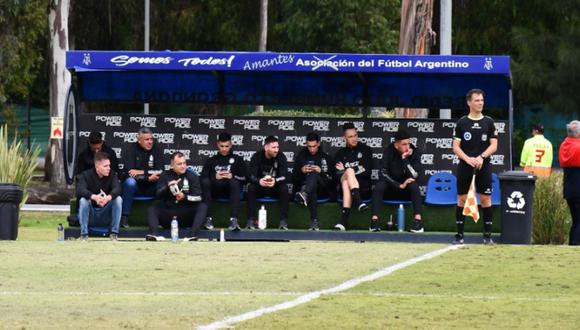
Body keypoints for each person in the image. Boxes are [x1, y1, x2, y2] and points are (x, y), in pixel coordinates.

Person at [452, 88, 498, 245]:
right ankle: (459, 236)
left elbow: (494, 145)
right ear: (469, 102)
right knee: (462, 199)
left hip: (483, 166)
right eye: (477, 100)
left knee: (486, 199)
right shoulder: (462, 122)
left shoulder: (489, 122)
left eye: (482, 100)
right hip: (466, 166)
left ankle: (487, 236)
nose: (480, 103)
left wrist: (481, 157)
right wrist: (468, 159)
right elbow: (456, 146)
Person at [371, 129, 424, 233]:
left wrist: (405, 159)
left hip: (406, 191)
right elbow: (382, 173)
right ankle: (374, 222)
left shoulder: (415, 151)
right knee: (380, 186)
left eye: (409, 143)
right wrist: (399, 185)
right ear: (396, 145)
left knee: (413, 185)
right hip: (392, 188)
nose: (408, 147)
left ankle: (418, 222)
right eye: (404, 144)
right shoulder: (389, 151)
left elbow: (414, 175)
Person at [146, 152, 207, 241]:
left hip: (186, 214)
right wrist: (167, 187)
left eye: (184, 163)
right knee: (153, 207)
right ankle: (154, 235)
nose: (183, 166)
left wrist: (184, 197)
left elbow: (198, 197)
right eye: (179, 164)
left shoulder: (192, 176)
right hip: (169, 215)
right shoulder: (165, 175)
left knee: (202, 206)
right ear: (172, 165)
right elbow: (157, 195)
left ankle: (192, 236)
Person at [201, 132, 249, 231]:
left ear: (231, 145)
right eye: (221, 146)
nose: (224, 149)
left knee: (235, 182)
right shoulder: (211, 160)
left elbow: (245, 179)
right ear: (218, 144)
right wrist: (215, 176)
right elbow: (202, 178)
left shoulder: (238, 159)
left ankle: (233, 220)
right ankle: (208, 219)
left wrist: (232, 176)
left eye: (226, 146)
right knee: (206, 182)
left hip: (230, 191)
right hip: (215, 190)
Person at [333, 122, 373, 231]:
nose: (354, 139)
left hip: (363, 187)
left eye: (355, 135)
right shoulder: (340, 154)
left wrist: (346, 171)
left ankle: (344, 221)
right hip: (351, 190)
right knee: (348, 173)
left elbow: (367, 171)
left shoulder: (366, 150)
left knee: (347, 180)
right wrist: (353, 171)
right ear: (344, 138)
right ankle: (359, 201)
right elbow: (337, 175)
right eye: (350, 137)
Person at [121, 127, 163, 228]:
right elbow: (129, 173)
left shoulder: (157, 149)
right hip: (136, 188)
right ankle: (124, 217)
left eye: (151, 139)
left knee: (164, 183)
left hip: (152, 187)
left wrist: (142, 172)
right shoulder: (131, 149)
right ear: (139, 141)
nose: (150, 142)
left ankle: (162, 218)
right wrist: (147, 178)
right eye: (147, 139)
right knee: (129, 182)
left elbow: (160, 171)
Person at [76, 152, 122, 241]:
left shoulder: (112, 175)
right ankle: (84, 235)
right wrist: (94, 197)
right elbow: (80, 190)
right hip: (91, 215)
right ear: (97, 167)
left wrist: (107, 198)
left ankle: (114, 234)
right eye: (105, 166)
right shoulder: (86, 175)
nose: (108, 168)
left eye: (109, 165)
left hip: (106, 215)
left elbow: (118, 189)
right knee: (83, 201)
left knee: (118, 199)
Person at [293, 132, 335, 231]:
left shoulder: (325, 157)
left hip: (323, 189)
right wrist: (301, 170)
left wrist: (321, 172)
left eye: (314, 146)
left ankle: (305, 194)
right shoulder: (301, 156)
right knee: (312, 188)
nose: (312, 149)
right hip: (308, 188)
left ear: (319, 144)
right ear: (306, 144)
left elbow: (331, 181)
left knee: (314, 175)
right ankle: (314, 222)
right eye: (309, 146)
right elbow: (294, 178)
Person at [247, 136, 290, 230]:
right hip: (261, 187)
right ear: (266, 147)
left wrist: (275, 181)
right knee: (251, 188)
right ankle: (250, 221)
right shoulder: (257, 156)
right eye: (274, 147)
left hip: (274, 187)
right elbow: (250, 176)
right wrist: (259, 181)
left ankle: (283, 222)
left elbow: (285, 176)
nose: (276, 150)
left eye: (277, 147)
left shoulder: (281, 156)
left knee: (284, 188)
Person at [558, 120, 580, 245]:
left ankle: (572, 243)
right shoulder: (578, 146)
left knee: (575, 219)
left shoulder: (564, 145)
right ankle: (576, 244)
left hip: (569, 188)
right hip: (578, 187)